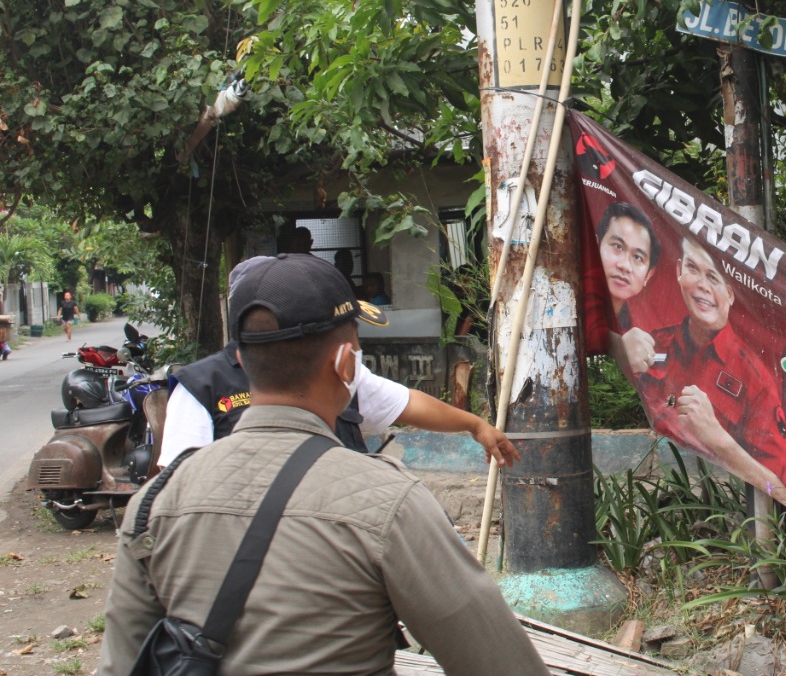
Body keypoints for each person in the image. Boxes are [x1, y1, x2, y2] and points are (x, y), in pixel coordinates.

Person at [99, 253, 549, 675]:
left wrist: (473, 424)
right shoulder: (390, 504)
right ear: (345, 363)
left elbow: (123, 661)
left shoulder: (152, 506)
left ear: (242, 356)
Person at [159, 255, 518, 469]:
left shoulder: (344, 376)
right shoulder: (201, 387)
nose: (353, 347)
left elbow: (405, 402)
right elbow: (179, 484)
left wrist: (475, 425)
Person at [635, 237, 786, 505]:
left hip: (736, 519)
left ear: (730, 294)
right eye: (693, 269)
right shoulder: (655, 344)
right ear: (678, 271)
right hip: (669, 512)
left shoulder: (756, 380)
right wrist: (621, 344)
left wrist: (718, 438)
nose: (702, 285)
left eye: (714, 277)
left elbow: (782, 492)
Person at [584, 202, 662, 374]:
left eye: (637, 257)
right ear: (596, 246)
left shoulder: (627, 317)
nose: (625, 266)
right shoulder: (585, 284)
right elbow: (589, 332)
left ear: (648, 275)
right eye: (618, 247)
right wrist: (619, 347)